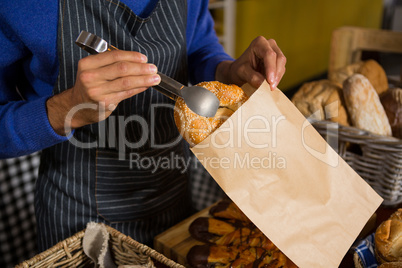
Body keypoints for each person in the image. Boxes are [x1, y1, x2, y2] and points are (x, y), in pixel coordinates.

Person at [0, 0, 286, 251]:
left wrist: (226, 70)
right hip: (79, 222)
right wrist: (67, 107)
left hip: (173, 200)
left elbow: (198, 44)